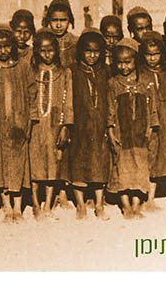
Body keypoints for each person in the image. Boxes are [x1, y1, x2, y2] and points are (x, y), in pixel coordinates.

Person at [0, 24, 38, 222]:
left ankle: (18, 207)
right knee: (1, 166)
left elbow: (32, 94)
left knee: (19, 165)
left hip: (20, 126)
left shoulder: (23, 67)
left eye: (6, 46)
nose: (3, 50)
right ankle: (7, 207)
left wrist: (29, 122)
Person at [106, 39, 159, 219]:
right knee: (122, 168)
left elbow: (153, 107)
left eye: (128, 62)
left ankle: (136, 206)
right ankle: (126, 206)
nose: (124, 67)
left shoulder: (146, 82)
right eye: (119, 62)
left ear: (136, 60)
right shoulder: (113, 83)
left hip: (141, 135)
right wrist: (111, 130)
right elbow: (110, 109)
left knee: (140, 169)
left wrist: (151, 128)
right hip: (122, 134)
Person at [66, 29, 111, 220]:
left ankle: (99, 204)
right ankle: (81, 205)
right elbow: (67, 100)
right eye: (88, 51)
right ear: (80, 52)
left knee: (100, 162)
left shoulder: (106, 71)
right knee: (78, 163)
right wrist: (68, 125)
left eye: (96, 51)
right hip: (79, 126)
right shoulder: (72, 71)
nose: (92, 55)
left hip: (100, 125)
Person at [28, 29, 73, 219]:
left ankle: (48, 203)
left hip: (55, 123)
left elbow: (68, 101)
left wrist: (65, 126)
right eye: (42, 51)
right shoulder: (31, 72)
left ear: (57, 50)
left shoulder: (64, 73)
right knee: (34, 163)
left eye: (50, 50)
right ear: (37, 51)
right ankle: (35, 203)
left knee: (53, 162)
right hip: (35, 124)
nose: (47, 55)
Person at [139, 31, 166, 211]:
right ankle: (149, 198)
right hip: (150, 124)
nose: (152, 58)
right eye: (148, 54)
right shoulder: (141, 75)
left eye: (156, 54)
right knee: (151, 158)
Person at [42, 0, 78, 69]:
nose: (59, 25)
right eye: (54, 20)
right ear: (49, 20)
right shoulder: (43, 42)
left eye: (63, 20)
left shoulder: (76, 42)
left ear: (70, 20)